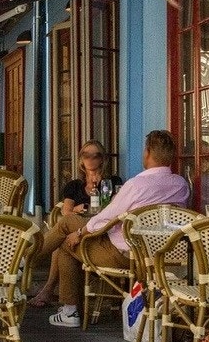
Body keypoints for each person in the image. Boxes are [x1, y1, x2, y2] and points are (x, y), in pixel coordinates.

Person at [47, 129, 190, 328]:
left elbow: (107, 216)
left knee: (66, 242)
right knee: (68, 228)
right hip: (162, 254)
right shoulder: (181, 184)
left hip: (126, 255)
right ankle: (32, 262)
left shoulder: (136, 185)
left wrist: (80, 233)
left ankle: (67, 307)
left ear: (147, 153)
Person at [29, 140, 122, 308]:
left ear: (103, 159)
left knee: (63, 232)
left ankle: (28, 259)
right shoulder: (74, 185)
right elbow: (66, 211)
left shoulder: (112, 182)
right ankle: (63, 300)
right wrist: (76, 211)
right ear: (81, 159)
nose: (91, 159)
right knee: (64, 234)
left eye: (96, 155)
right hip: (80, 232)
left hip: (102, 233)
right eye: (86, 155)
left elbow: (113, 210)